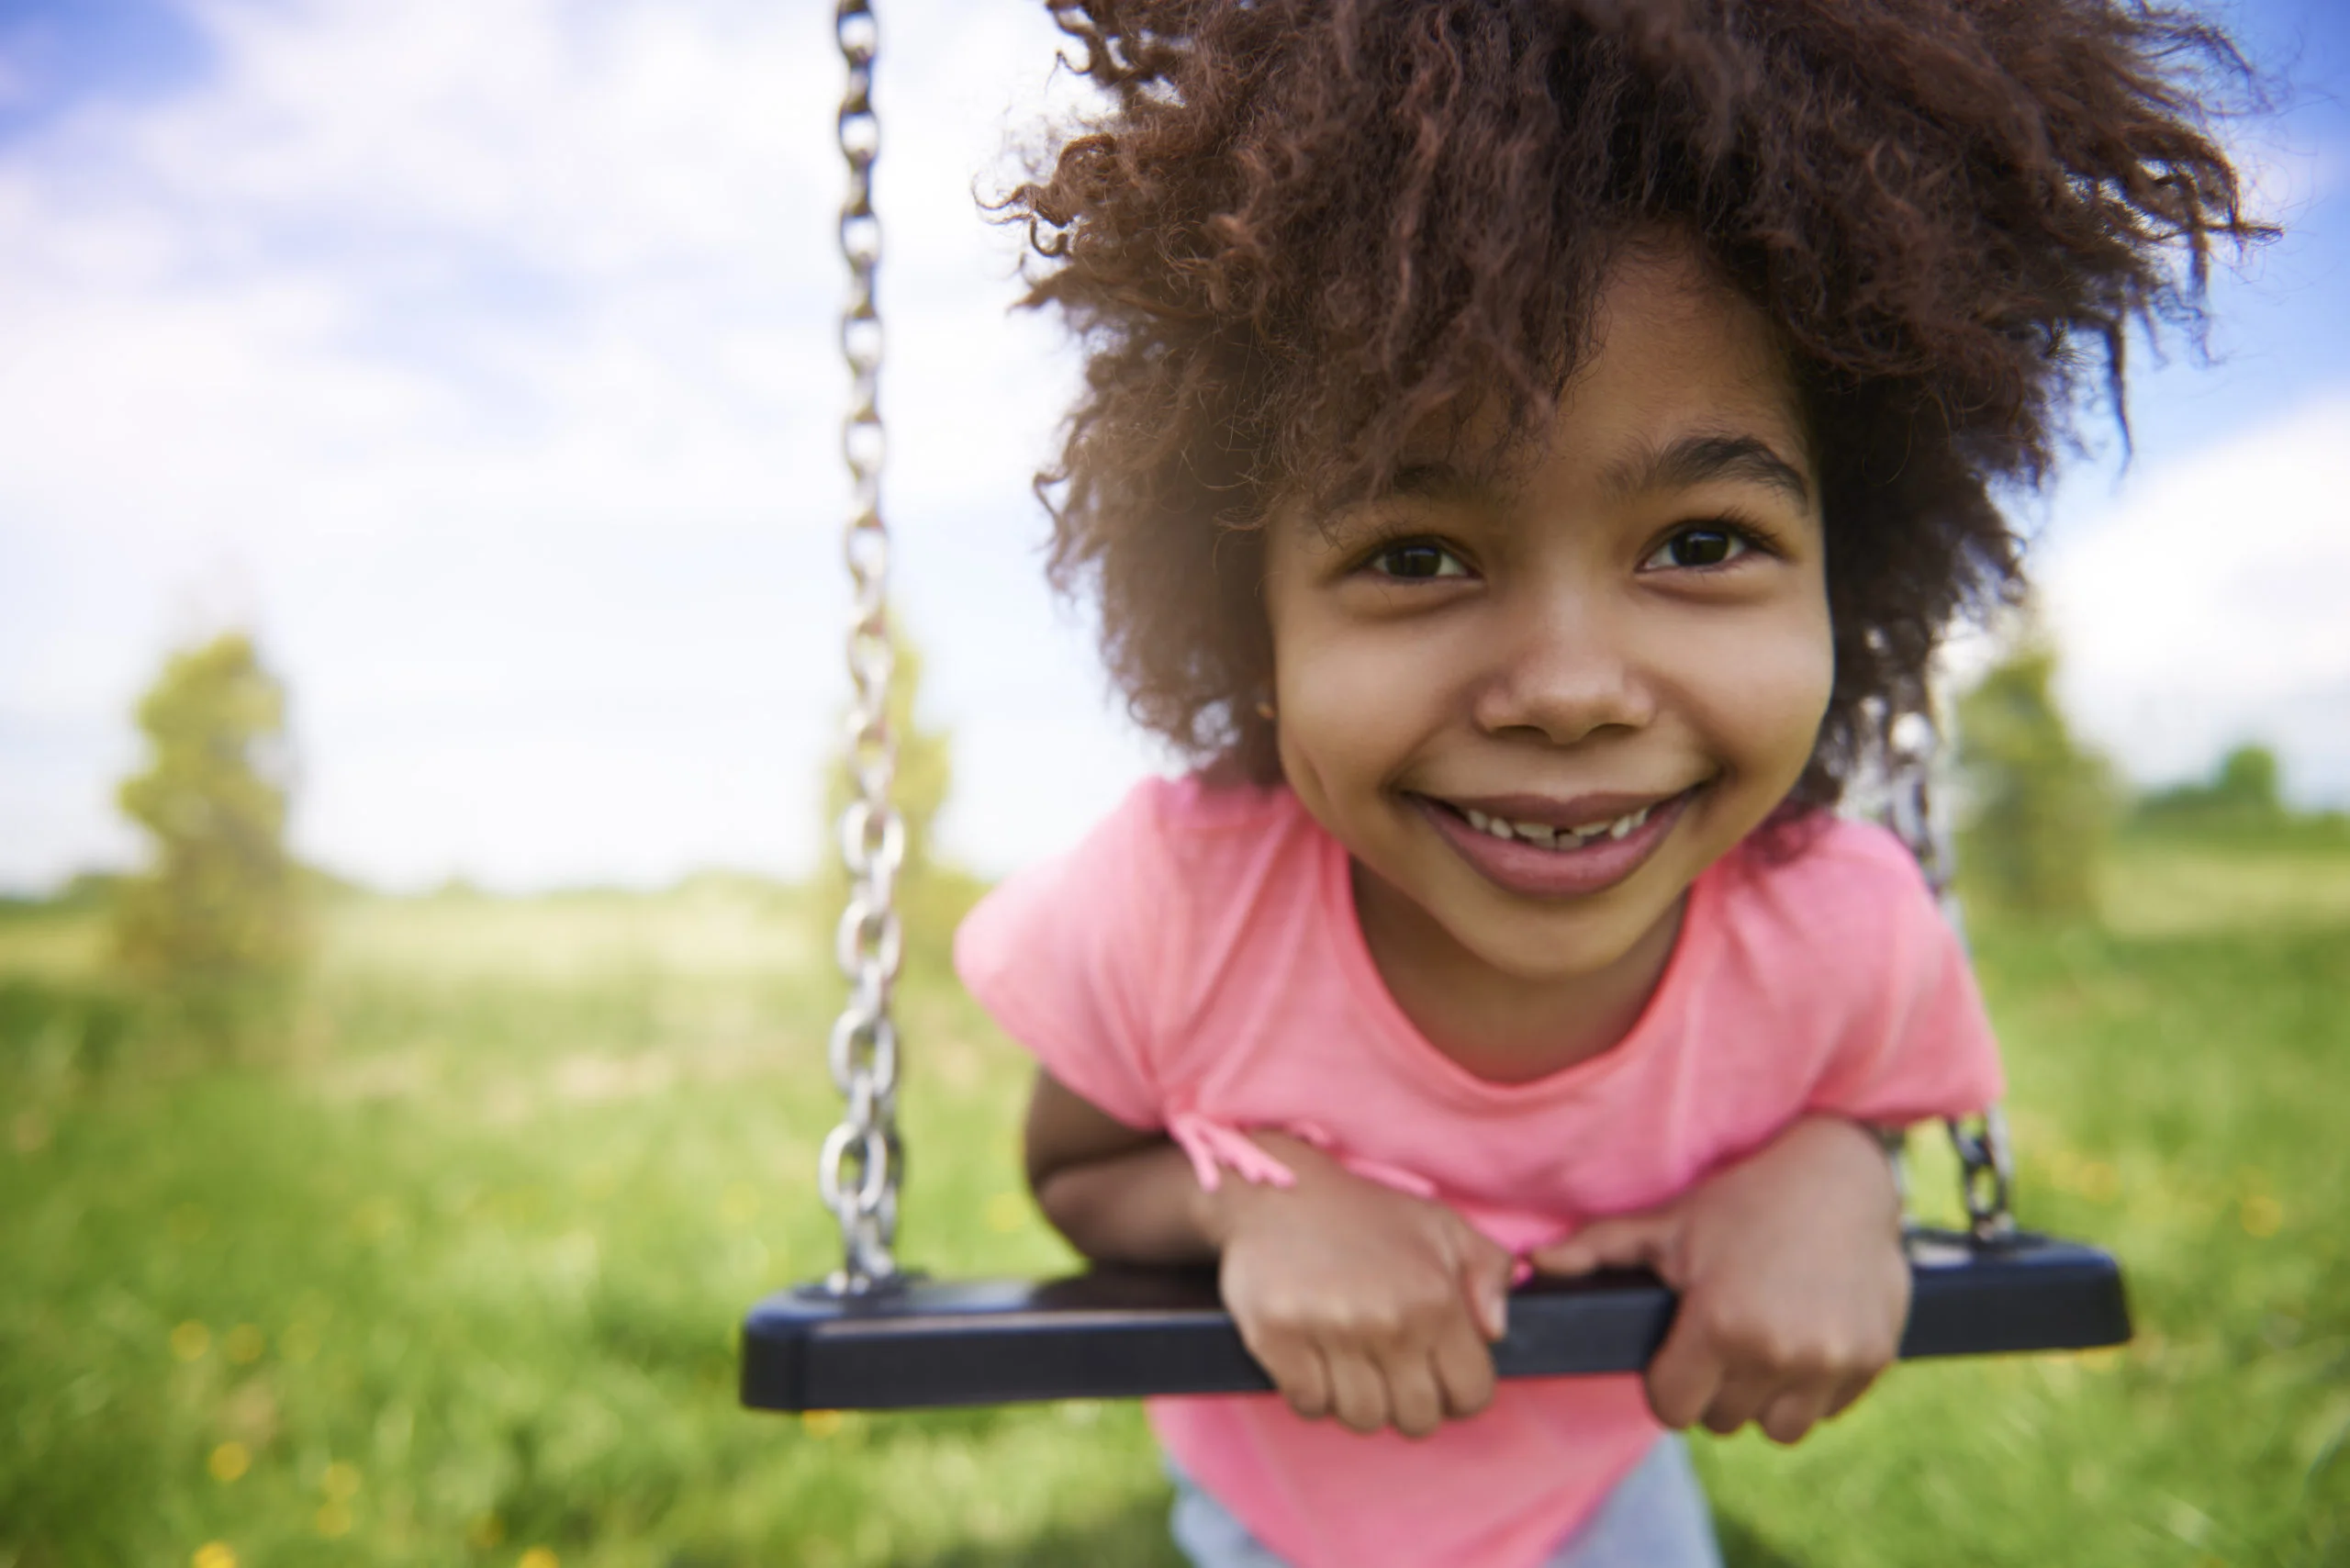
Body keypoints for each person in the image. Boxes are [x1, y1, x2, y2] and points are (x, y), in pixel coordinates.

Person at [953, 4, 2261, 1565]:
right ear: (1254, 619)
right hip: (1272, 1511)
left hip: (1605, 1502)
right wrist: (1256, 1202)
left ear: (1851, 568)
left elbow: (1859, 1100)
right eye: (1418, 556)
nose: (1571, 689)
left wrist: (1835, 1176)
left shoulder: (1834, 930)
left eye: (1702, 544)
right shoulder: (1179, 908)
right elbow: (1082, 1170)